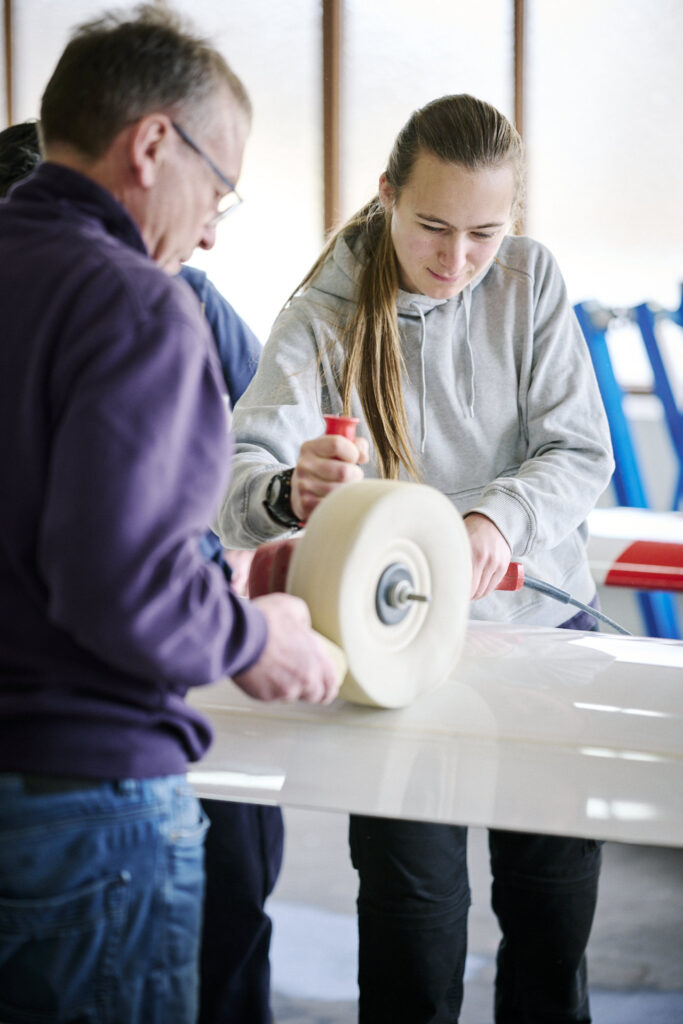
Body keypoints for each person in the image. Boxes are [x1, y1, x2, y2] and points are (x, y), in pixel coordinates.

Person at [217, 94, 615, 1023]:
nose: (455, 258)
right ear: (387, 193)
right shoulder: (321, 313)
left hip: (542, 637)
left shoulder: (529, 279)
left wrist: (491, 524)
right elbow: (235, 482)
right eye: (432, 226)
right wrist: (289, 490)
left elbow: (578, 451)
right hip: (395, 657)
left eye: (483, 233)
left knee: (551, 914)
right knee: (413, 918)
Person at [0, 6, 339, 1023]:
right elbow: (121, 584)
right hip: (82, 806)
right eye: (218, 189)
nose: (208, 231)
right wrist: (255, 636)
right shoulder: (138, 301)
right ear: (151, 144)